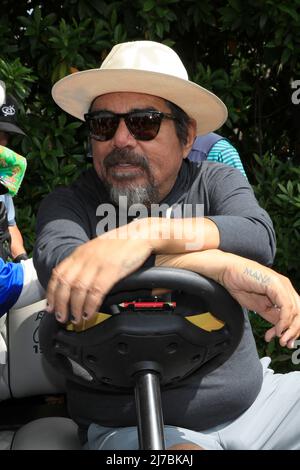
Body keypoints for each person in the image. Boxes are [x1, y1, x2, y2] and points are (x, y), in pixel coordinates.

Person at [33, 40, 299, 450]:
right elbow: (64, 268)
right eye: (104, 124)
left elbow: (256, 235)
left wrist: (146, 234)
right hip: (133, 427)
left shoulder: (214, 180)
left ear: (187, 135)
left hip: (260, 404)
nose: (120, 139)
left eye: (144, 122)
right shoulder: (69, 204)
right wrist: (218, 265)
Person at [0, 93, 28, 262]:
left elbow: (11, 226)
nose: (2, 142)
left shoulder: (3, 176)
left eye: (5, 136)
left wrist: (23, 262)